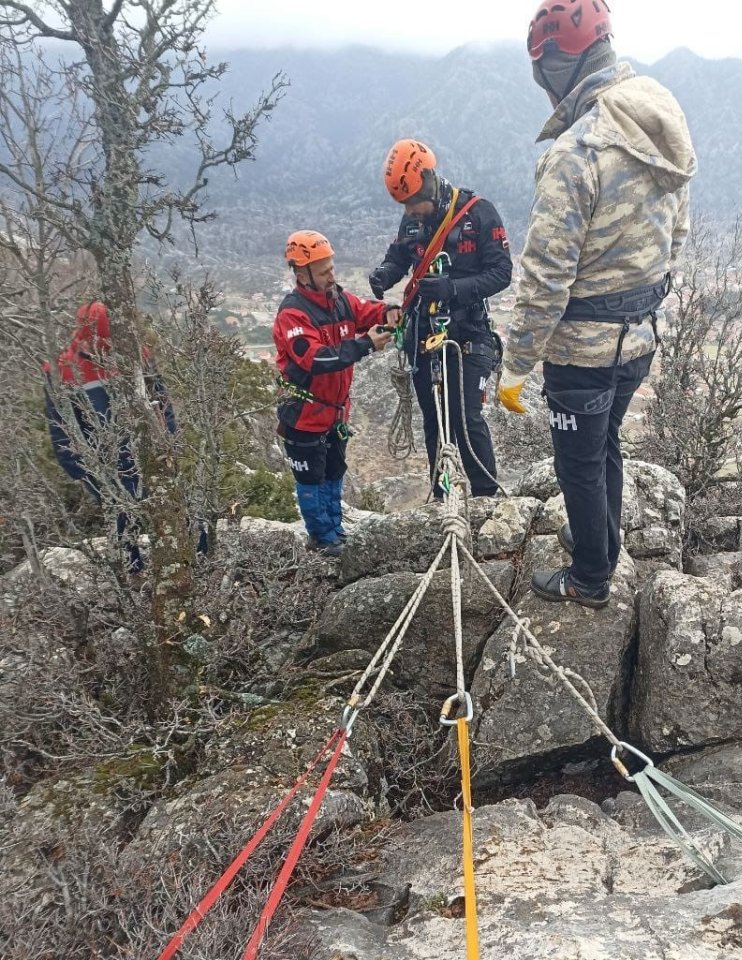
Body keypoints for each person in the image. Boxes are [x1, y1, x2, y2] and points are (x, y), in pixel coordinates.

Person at [498, 0, 697, 608]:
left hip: (582, 349)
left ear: (557, 62)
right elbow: (677, 233)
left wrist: (516, 365)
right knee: (604, 440)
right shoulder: (655, 123)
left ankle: (590, 576)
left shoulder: (577, 152)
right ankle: (600, 540)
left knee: (580, 461)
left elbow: (545, 277)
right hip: (638, 336)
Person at [369, 139, 512, 498]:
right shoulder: (412, 219)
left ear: (431, 181)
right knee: (433, 419)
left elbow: (501, 273)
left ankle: (485, 496)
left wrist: (453, 289)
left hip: (468, 331)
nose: (412, 210)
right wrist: (386, 273)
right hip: (423, 332)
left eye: (415, 201)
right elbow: (400, 254)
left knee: (466, 418)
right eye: (406, 205)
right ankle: (441, 494)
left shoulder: (479, 214)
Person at [272, 230, 400, 556]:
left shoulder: (338, 300)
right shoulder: (293, 315)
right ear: (303, 274)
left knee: (334, 471)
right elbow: (315, 359)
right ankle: (322, 539)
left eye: (332, 268)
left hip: (334, 412)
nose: (332, 275)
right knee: (311, 479)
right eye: (324, 270)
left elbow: (364, 311)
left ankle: (335, 530)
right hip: (304, 414)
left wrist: (388, 313)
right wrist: (365, 344)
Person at [47, 301, 178, 573]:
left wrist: (171, 442)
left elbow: (162, 402)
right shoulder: (61, 372)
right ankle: (134, 576)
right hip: (106, 468)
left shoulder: (136, 356)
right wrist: (84, 474)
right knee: (122, 522)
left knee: (176, 515)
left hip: (148, 456)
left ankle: (186, 569)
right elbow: (61, 431)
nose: (106, 352)